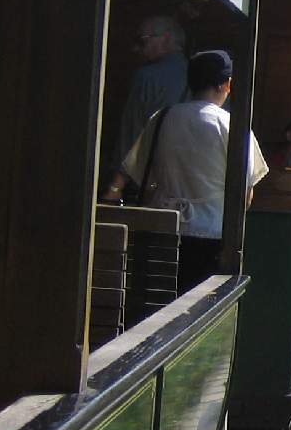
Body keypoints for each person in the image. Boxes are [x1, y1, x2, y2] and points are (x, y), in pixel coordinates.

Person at [102, 50, 268, 293]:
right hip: (213, 234)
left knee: (156, 304)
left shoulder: (162, 118)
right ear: (227, 85)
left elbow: (135, 170)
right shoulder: (233, 126)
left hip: (163, 230)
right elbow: (246, 195)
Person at [114, 15, 188, 181]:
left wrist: (117, 184)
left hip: (149, 177)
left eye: (143, 41)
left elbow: (132, 132)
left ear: (166, 38)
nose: (136, 49)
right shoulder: (198, 77)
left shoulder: (146, 76)